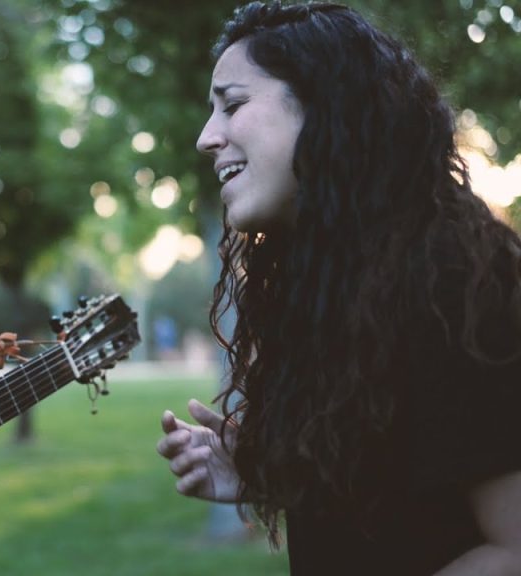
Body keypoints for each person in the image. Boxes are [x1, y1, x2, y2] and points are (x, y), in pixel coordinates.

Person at [156, 2, 521, 574]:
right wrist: (263, 472)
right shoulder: (336, 284)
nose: (206, 138)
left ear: (325, 105)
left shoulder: (454, 277)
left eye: (233, 104)